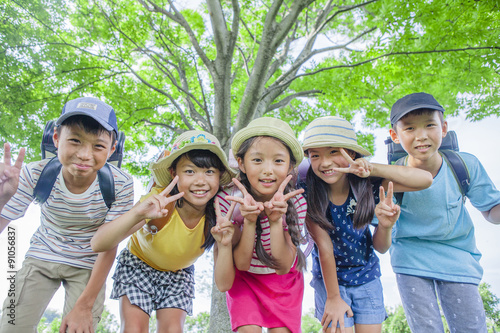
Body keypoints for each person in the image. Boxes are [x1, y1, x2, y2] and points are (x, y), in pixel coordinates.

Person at [0, 97, 135, 333]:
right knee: (12, 326)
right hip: (42, 255)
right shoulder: (35, 173)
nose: (84, 154)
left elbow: (109, 244)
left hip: (89, 265)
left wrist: (85, 306)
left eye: (98, 146)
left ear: (112, 149)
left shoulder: (120, 184)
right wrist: (3, 197)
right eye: (75, 140)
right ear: (56, 138)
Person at [91, 130, 236, 333]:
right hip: (139, 264)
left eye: (209, 172)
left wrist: (225, 243)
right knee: (134, 328)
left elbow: (223, 284)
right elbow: (98, 243)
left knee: (173, 329)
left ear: (220, 175)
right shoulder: (160, 201)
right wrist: (138, 213)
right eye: (190, 171)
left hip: (178, 274)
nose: (201, 181)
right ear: (173, 174)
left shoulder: (219, 215)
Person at [300, 116, 433, 333]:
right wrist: (333, 298)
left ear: (351, 153)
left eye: (334, 151)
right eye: (315, 155)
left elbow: (425, 179)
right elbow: (325, 249)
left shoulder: (366, 186)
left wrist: (372, 170)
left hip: (367, 278)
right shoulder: (309, 192)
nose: (324, 162)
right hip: (330, 282)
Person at [388, 92, 500, 333]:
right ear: (395, 136)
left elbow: (490, 210)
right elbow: (378, 224)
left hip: (458, 259)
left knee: (471, 328)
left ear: (444, 127)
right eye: (409, 128)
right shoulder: (389, 175)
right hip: (411, 260)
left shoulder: (464, 165)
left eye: (430, 125)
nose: (421, 136)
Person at [215, 117, 307, 333]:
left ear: (290, 167)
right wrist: (249, 220)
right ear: (241, 163)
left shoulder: (296, 201)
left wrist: (275, 222)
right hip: (245, 280)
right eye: (257, 160)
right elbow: (242, 265)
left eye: (278, 161)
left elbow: (284, 266)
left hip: (283, 282)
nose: (268, 170)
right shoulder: (228, 201)